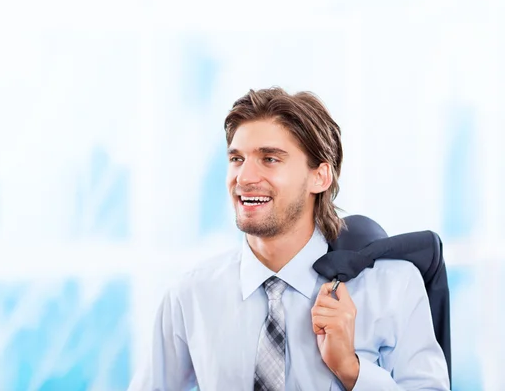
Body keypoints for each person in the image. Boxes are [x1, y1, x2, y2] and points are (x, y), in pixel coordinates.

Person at [128, 87, 450, 390]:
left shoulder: (392, 286)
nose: (244, 177)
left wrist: (352, 371)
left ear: (319, 176)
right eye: (237, 159)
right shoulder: (189, 298)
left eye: (270, 159)